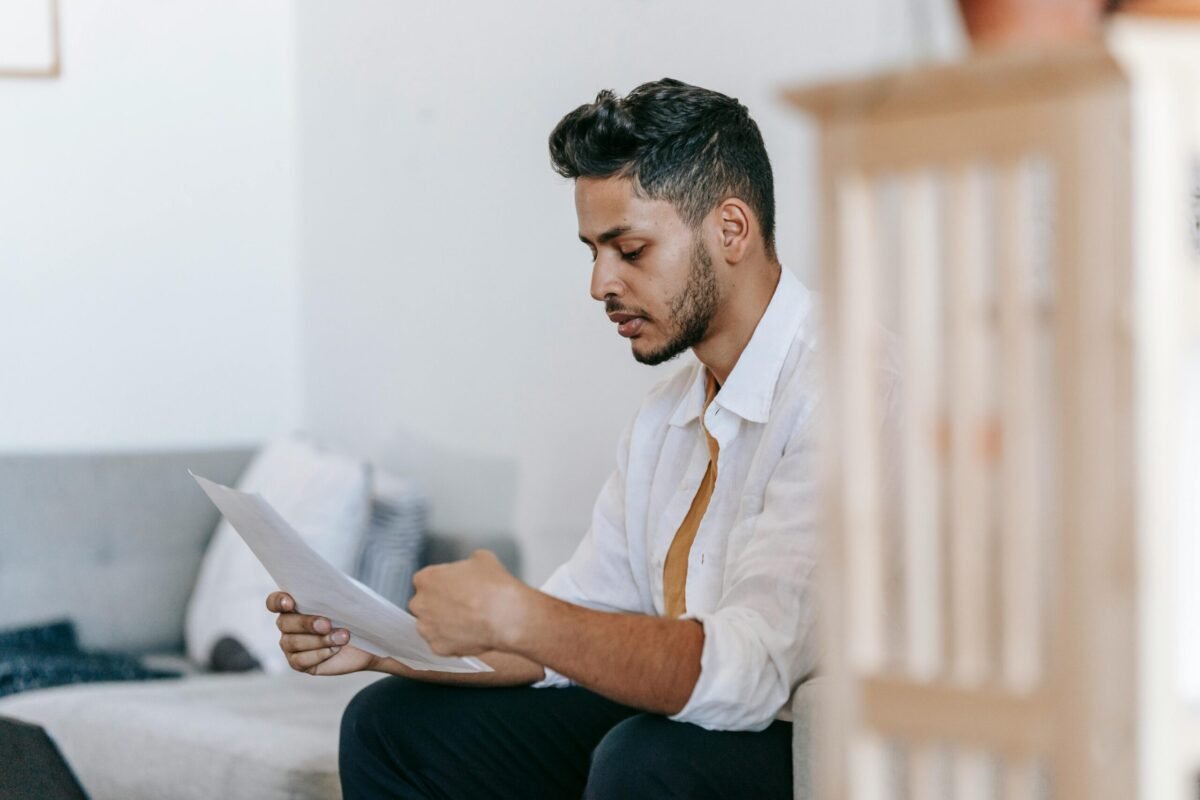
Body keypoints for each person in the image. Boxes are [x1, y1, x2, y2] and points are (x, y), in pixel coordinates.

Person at [267, 77, 897, 799]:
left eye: (629, 249)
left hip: (818, 741)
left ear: (731, 229)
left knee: (643, 759)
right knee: (390, 725)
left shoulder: (848, 386)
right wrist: (375, 645)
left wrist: (523, 614)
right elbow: (574, 628)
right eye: (593, 251)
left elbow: (754, 674)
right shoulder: (667, 419)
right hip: (693, 721)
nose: (600, 283)